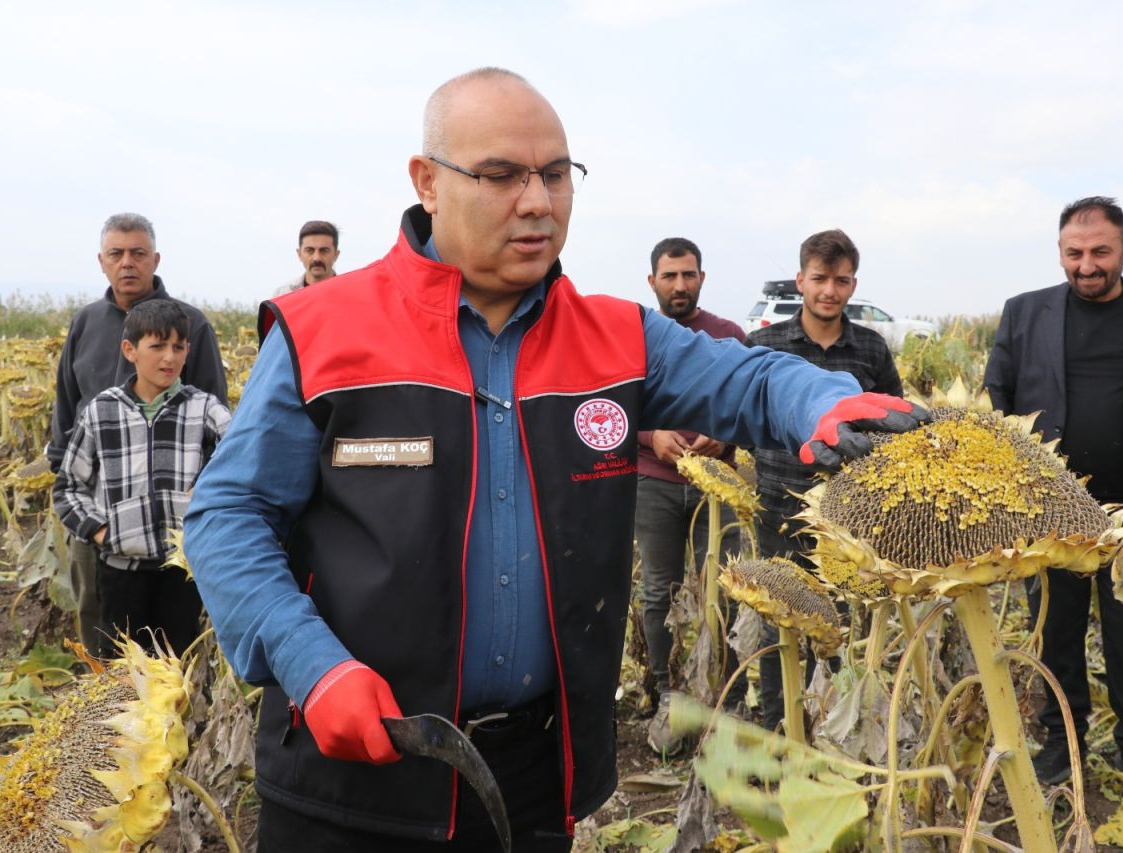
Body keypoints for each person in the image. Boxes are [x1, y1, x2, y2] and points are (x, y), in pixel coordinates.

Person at [184, 67, 927, 852]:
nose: (538, 201)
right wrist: (312, 666)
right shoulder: (322, 331)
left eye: (556, 174)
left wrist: (822, 402)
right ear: (427, 182)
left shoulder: (615, 336)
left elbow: (749, 378)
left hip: (538, 771)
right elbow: (227, 515)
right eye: (502, 175)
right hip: (359, 770)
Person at [983, 196, 1123, 813]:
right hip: (1050, 518)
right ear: (1060, 252)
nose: (1087, 265)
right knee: (1053, 636)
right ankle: (1062, 750)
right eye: (1074, 253)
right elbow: (996, 403)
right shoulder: (1024, 314)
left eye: (1100, 252)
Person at [746, 229, 903, 733]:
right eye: (819, 279)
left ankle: (833, 731)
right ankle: (781, 731)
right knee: (780, 624)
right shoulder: (765, 344)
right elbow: (743, 415)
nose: (829, 291)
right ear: (800, 280)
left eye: (840, 281)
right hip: (777, 505)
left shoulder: (871, 351)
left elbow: (890, 422)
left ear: (853, 284)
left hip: (843, 517)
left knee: (837, 627)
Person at [49, 213, 227, 656]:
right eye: (117, 254)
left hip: (175, 540)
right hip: (103, 519)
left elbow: (222, 439)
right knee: (102, 617)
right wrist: (94, 524)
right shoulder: (85, 323)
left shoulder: (191, 324)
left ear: (155, 259)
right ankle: (106, 700)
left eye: (138, 253)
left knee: (179, 648)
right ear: (102, 261)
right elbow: (67, 405)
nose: (127, 263)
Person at [634, 237, 748, 756]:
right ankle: (667, 691)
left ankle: (720, 695)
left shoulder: (728, 336)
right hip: (655, 480)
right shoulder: (632, 336)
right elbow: (614, 408)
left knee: (720, 592)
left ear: (702, 278)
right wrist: (650, 436)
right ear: (652, 281)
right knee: (659, 589)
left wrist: (724, 436)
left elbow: (748, 403)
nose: (679, 285)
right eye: (669, 276)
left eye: (688, 275)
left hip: (717, 487)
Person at [273, 220, 342, 296]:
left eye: (324, 250)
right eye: (310, 250)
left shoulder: (349, 293)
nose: (317, 258)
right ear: (299, 254)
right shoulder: (282, 296)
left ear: (336, 254)